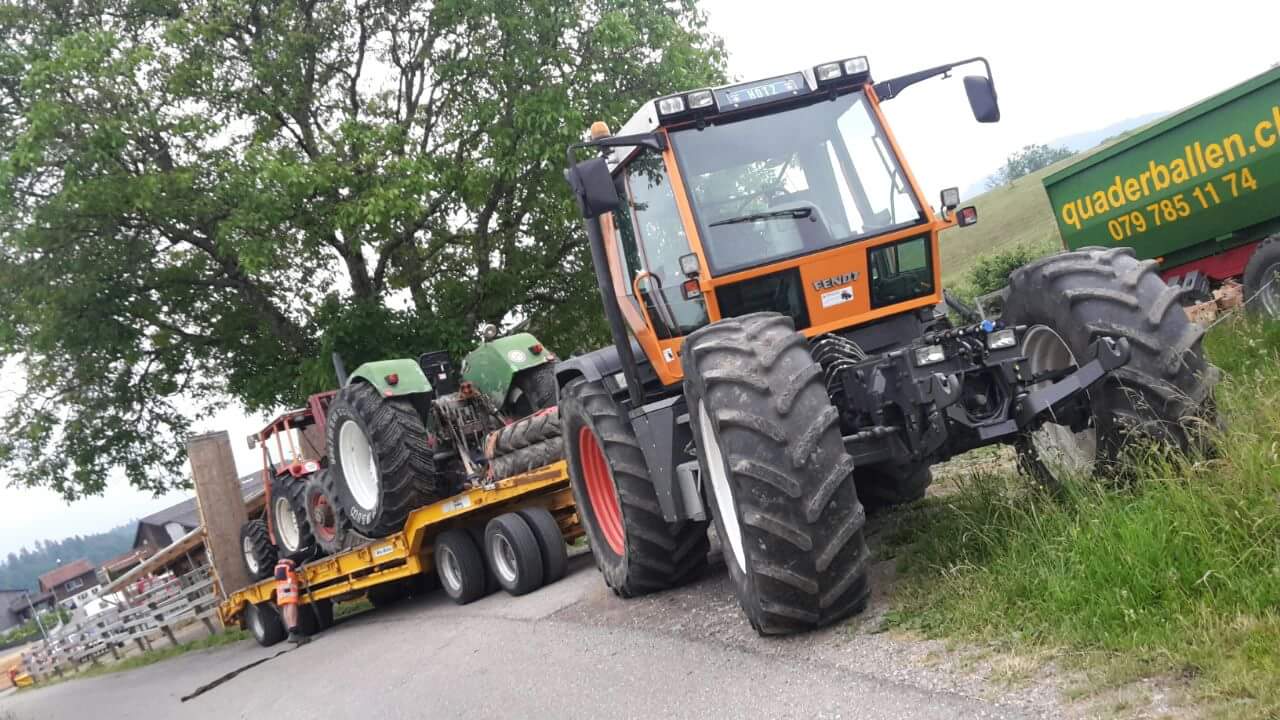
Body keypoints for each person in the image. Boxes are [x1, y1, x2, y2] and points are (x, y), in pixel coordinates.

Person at [273, 559, 311, 646]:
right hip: (288, 568)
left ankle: (292, 631)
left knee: (285, 603)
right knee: (290, 602)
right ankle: (294, 631)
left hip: (280, 569)